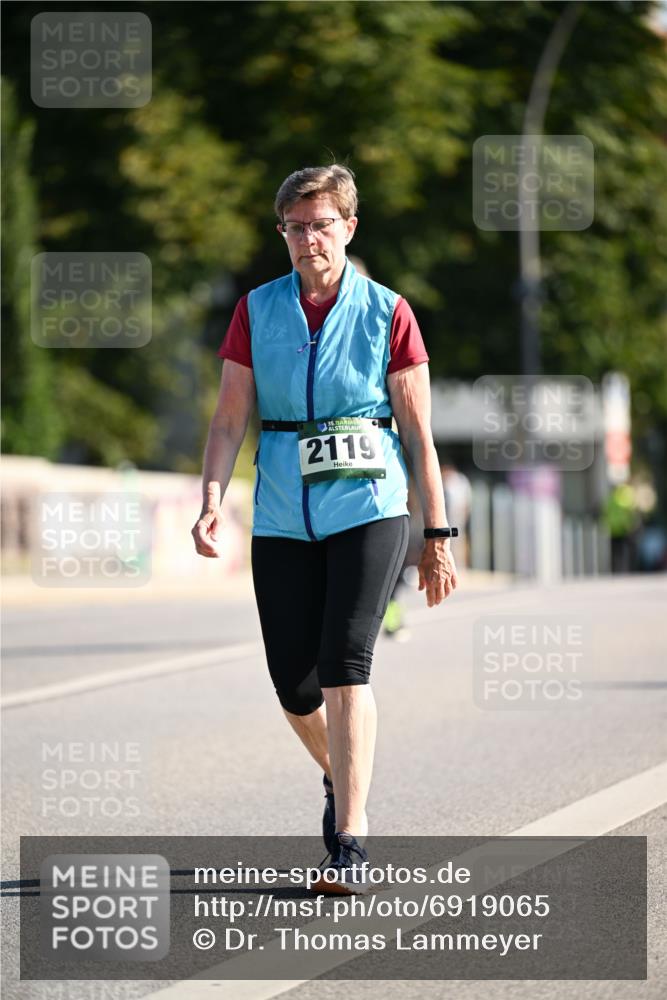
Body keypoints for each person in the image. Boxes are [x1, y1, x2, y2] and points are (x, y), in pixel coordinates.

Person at [192, 164, 458, 894]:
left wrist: (437, 535)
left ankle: (349, 838)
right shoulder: (257, 309)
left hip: (369, 507)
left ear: (348, 227)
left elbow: (417, 432)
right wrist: (212, 497)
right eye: (295, 226)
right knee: (292, 685)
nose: (309, 238)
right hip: (280, 510)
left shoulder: (387, 312)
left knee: (346, 665)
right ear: (281, 232)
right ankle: (343, 776)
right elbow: (226, 418)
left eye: (322, 224)